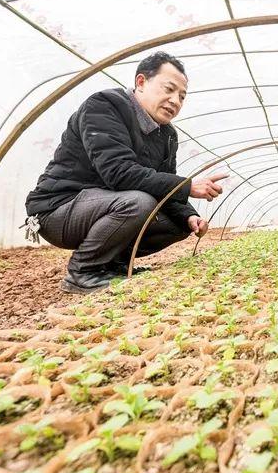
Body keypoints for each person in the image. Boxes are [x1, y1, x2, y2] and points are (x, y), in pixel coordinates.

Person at [24, 51, 227, 294]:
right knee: (139, 203)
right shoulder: (104, 106)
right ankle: (83, 271)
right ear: (141, 82)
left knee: (177, 223)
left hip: (107, 205)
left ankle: (114, 265)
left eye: (182, 97)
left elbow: (163, 187)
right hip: (58, 209)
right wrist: (188, 186)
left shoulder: (167, 135)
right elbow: (118, 173)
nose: (175, 101)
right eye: (169, 89)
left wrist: (189, 216)